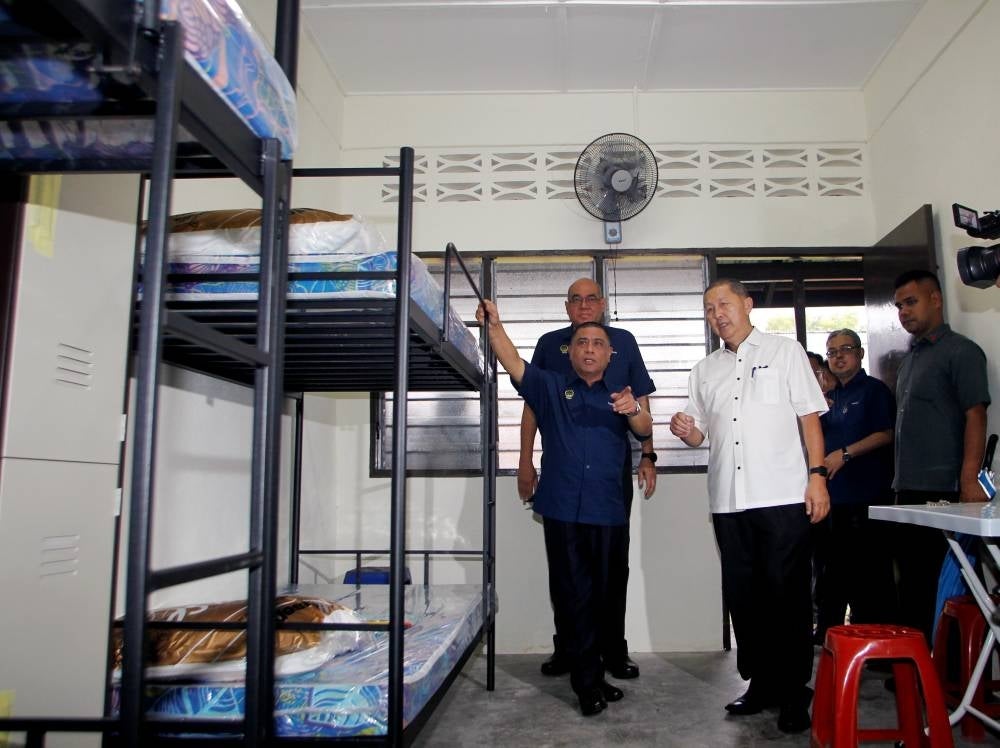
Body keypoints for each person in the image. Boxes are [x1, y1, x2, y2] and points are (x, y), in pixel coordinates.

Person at [475, 298, 653, 716]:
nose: (589, 348)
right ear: (570, 353)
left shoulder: (621, 394)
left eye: (597, 343)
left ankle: (595, 671)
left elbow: (645, 428)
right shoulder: (552, 387)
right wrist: (494, 326)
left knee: (603, 596)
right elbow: (514, 363)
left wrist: (634, 411)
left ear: (611, 355)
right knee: (574, 595)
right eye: (582, 343)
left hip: (607, 508)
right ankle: (587, 683)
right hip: (563, 508)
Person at [669, 278, 829, 734]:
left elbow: (809, 417)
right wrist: (687, 430)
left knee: (788, 596)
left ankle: (795, 691)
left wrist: (817, 478)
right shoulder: (704, 370)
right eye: (708, 307)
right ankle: (761, 683)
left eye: (724, 303)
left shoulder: (785, 352)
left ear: (747, 304)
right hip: (728, 500)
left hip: (781, 495)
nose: (717, 312)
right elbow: (703, 434)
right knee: (745, 596)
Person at [522, 278, 656, 681]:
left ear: (603, 303)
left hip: (609, 476)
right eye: (576, 300)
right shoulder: (549, 345)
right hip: (563, 475)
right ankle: (569, 648)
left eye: (591, 298)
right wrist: (525, 460)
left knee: (612, 569)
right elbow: (532, 406)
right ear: (567, 307)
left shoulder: (624, 341)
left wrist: (648, 454)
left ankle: (614, 650)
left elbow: (642, 401)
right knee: (566, 572)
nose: (584, 305)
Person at [891, 269, 991, 644]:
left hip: (946, 490)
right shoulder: (910, 359)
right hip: (909, 489)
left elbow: (975, 414)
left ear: (936, 299)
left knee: (950, 584)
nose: (903, 312)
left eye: (911, 302)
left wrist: (969, 480)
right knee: (913, 582)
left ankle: (953, 677)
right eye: (899, 305)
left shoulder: (961, 351)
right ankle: (918, 668)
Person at [812, 329, 897, 643]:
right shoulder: (829, 397)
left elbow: (887, 434)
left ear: (860, 354)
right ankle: (831, 635)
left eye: (845, 349)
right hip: (833, 500)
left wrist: (846, 454)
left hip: (867, 497)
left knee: (870, 576)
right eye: (832, 351)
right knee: (831, 573)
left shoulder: (873, 390)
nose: (837, 355)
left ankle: (876, 641)